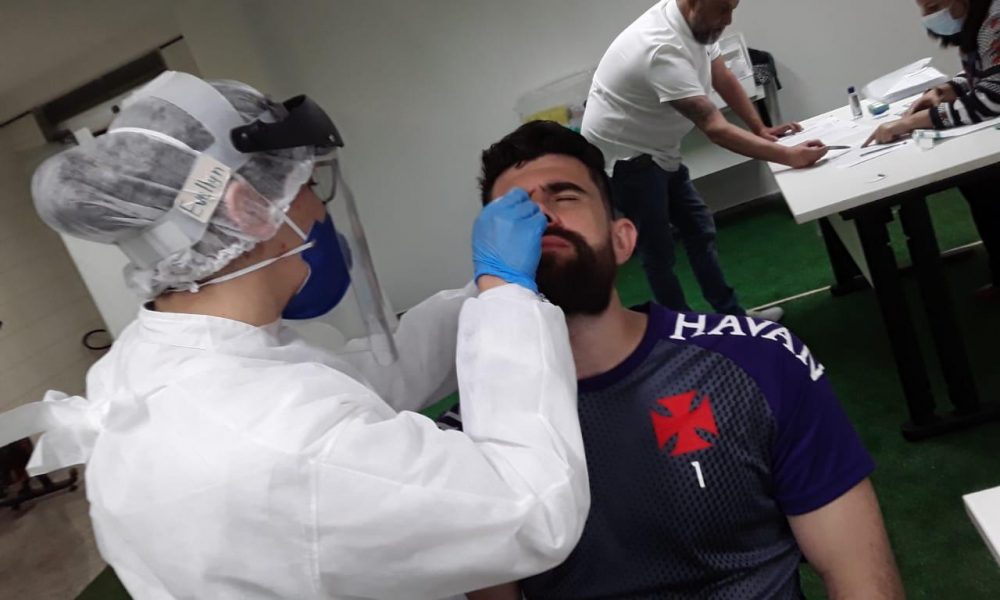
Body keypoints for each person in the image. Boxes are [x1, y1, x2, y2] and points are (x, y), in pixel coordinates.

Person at [0, 72, 591, 599]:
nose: (320, 208)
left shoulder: (166, 358)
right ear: (249, 209)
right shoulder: (279, 443)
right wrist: (507, 293)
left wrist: (489, 291)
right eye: (307, 185)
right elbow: (532, 509)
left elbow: (365, 382)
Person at [450, 121, 904, 599]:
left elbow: (858, 575)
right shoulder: (470, 436)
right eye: (514, 211)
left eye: (564, 196)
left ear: (622, 239)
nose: (540, 215)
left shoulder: (759, 360)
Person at [582, 0, 831, 322]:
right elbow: (715, 128)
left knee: (699, 229)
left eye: (733, 8)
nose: (728, 19)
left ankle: (733, 319)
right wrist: (789, 156)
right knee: (658, 252)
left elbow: (721, 75)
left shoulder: (698, 26)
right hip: (625, 158)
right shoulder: (661, 49)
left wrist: (759, 128)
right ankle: (684, 335)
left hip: (659, 147)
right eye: (723, 9)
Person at [865, 0, 1000, 301]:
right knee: (979, 184)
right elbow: (984, 73)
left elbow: (992, 99)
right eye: (924, 9)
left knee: (985, 182)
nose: (929, 16)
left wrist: (910, 123)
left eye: (934, 6)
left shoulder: (995, 19)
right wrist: (944, 90)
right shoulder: (977, 22)